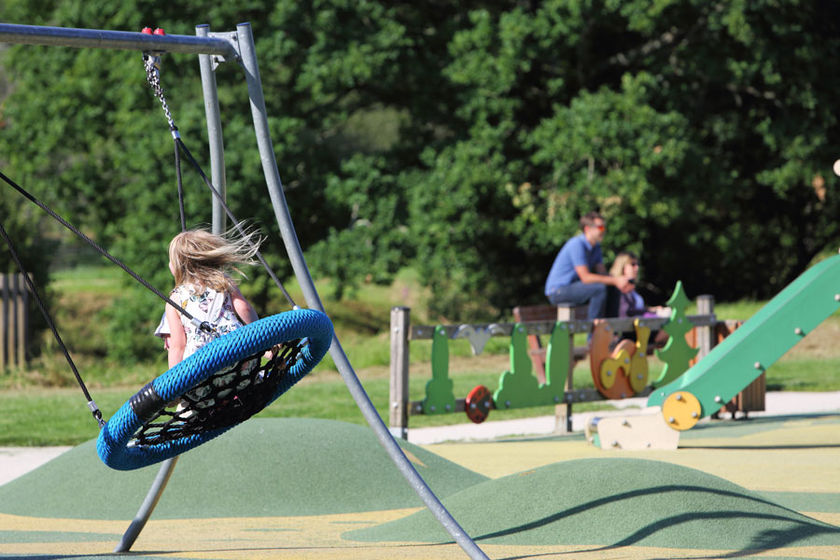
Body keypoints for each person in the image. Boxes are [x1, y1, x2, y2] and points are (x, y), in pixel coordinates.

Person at [154, 227, 263, 367]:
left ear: (178, 266)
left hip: (201, 364)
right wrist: (261, 337)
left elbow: (177, 346)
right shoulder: (224, 283)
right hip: (236, 353)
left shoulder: (175, 300)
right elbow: (244, 308)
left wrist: (174, 382)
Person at [544, 211, 634, 321]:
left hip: (576, 288)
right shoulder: (577, 244)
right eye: (600, 227)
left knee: (612, 288)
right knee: (599, 289)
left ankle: (611, 332)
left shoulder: (596, 247)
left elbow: (603, 274)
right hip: (557, 291)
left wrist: (620, 282)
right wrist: (615, 280)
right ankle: (594, 334)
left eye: (604, 227)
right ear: (587, 229)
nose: (603, 230)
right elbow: (585, 277)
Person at [609, 251, 669, 319]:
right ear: (622, 266)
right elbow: (626, 312)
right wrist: (653, 312)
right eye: (633, 264)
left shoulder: (631, 287)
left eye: (637, 264)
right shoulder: (615, 288)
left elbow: (635, 309)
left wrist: (652, 309)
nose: (637, 267)